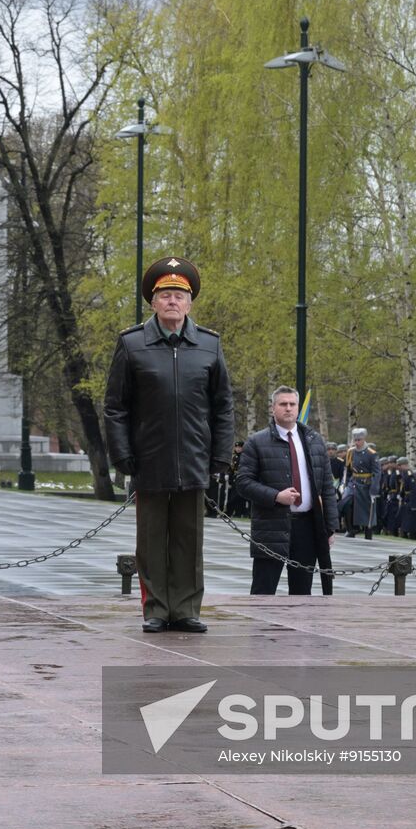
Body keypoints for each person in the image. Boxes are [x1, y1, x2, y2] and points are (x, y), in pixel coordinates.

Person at [104, 255, 234, 634]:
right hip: (150, 459)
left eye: (180, 294)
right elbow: (115, 406)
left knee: (189, 541)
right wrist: (123, 453)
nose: (173, 301)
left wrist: (221, 455)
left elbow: (223, 405)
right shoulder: (132, 344)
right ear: (153, 303)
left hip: (194, 458)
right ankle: (157, 609)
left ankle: (186, 608)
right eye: (166, 295)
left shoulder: (209, 346)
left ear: (190, 302)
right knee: (151, 541)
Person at [235, 385, 338, 595]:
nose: (288, 409)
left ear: (298, 408)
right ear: (273, 408)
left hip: (307, 527)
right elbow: (243, 482)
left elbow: (327, 487)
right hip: (271, 527)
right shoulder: (257, 442)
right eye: (283, 404)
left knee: (302, 594)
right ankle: (261, 629)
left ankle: (297, 629)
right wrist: (276, 496)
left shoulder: (314, 440)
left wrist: (330, 526)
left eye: (292, 404)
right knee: (264, 590)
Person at [343, 429, 379, 539]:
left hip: (366, 484)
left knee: (367, 509)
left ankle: (368, 532)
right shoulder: (351, 452)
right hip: (353, 483)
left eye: (359, 440)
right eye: (355, 440)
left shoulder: (371, 453)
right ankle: (351, 528)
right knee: (346, 503)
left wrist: (374, 489)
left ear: (364, 439)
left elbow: (377, 473)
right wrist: (345, 484)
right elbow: (348, 470)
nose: (357, 442)